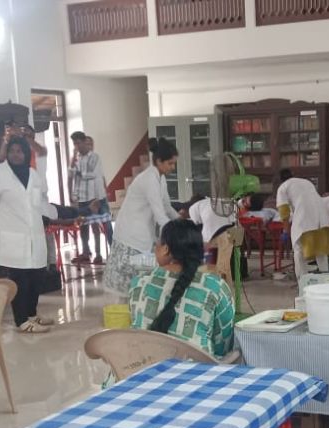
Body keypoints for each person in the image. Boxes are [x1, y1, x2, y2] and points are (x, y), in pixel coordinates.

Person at [128, 219, 235, 358]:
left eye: (158, 243)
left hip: (142, 367)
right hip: (197, 369)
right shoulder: (216, 287)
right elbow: (224, 345)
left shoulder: (139, 283)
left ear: (166, 249)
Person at [0, 135, 51, 334]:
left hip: (34, 235)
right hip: (11, 237)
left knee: (36, 276)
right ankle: (21, 321)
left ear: (26, 153)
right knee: (19, 281)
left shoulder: (32, 174)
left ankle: (31, 315)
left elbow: (41, 196)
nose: (16, 155)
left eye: (19, 151)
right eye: (12, 151)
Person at [106, 137, 180, 298]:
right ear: (159, 161)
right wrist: (179, 234)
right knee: (130, 290)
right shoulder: (149, 179)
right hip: (131, 237)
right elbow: (160, 215)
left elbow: (167, 207)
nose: (173, 167)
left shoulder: (160, 178)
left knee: (141, 287)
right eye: (170, 163)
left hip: (142, 235)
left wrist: (182, 221)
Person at [276, 168, 329, 278]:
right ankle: (325, 280)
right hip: (321, 217)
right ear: (293, 174)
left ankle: (302, 281)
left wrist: (285, 231)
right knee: (321, 252)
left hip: (304, 219)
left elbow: (284, 212)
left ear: (280, 179)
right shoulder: (306, 182)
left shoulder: (283, 187)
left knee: (298, 251)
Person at [70, 131, 112, 265]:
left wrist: (98, 198)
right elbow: (74, 177)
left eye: (78, 143)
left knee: (98, 226)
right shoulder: (78, 159)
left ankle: (101, 254)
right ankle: (86, 253)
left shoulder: (94, 157)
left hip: (94, 198)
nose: (77, 146)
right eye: (74, 143)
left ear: (84, 142)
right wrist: (74, 197)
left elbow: (96, 177)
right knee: (83, 226)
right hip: (82, 198)